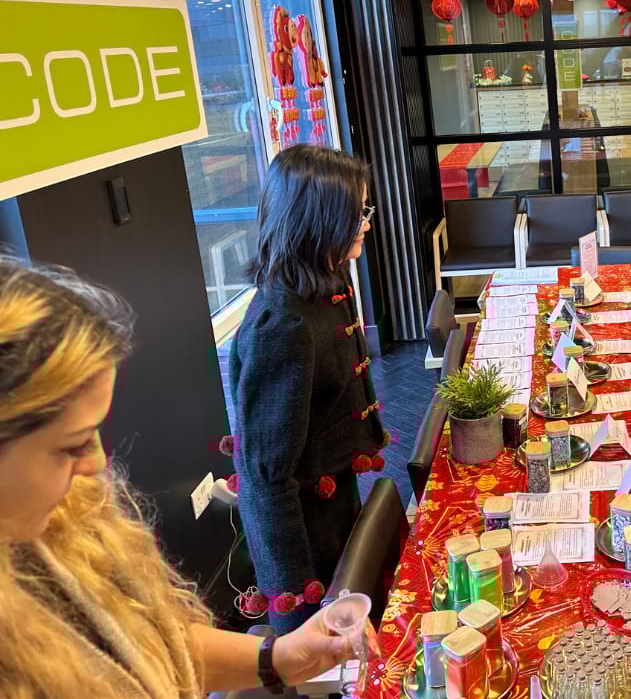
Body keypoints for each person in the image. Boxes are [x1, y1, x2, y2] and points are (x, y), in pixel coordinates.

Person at [0, 257, 366, 698]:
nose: (96, 463)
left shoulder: (71, 516)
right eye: (71, 444)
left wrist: (279, 657)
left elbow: (155, 643)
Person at [231, 144, 386, 633]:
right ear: (317, 219)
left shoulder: (326, 281)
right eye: (357, 212)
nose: (366, 221)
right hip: (305, 533)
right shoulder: (284, 326)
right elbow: (264, 480)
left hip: (336, 498)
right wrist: (297, 604)